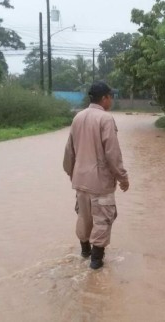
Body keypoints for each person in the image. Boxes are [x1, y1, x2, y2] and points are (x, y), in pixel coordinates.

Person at [63, 81, 129, 270]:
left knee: (84, 217)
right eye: (111, 97)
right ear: (105, 98)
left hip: (80, 181)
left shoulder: (78, 117)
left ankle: (84, 253)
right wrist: (123, 178)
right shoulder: (105, 119)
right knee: (102, 221)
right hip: (100, 183)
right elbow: (113, 154)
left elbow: (69, 151)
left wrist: (72, 173)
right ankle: (96, 264)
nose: (112, 100)